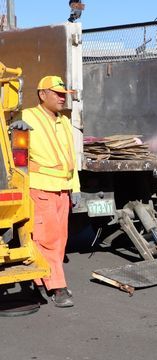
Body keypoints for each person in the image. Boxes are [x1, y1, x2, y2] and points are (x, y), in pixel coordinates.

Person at [10, 76, 81, 307]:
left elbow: (71, 159)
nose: (62, 98)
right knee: (47, 239)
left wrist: (76, 188)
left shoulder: (64, 122)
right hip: (40, 188)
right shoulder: (27, 116)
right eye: (57, 94)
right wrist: (15, 126)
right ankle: (57, 287)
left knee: (60, 240)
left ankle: (41, 281)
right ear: (42, 94)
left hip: (63, 190)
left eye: (64, 95)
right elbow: (9, 136)